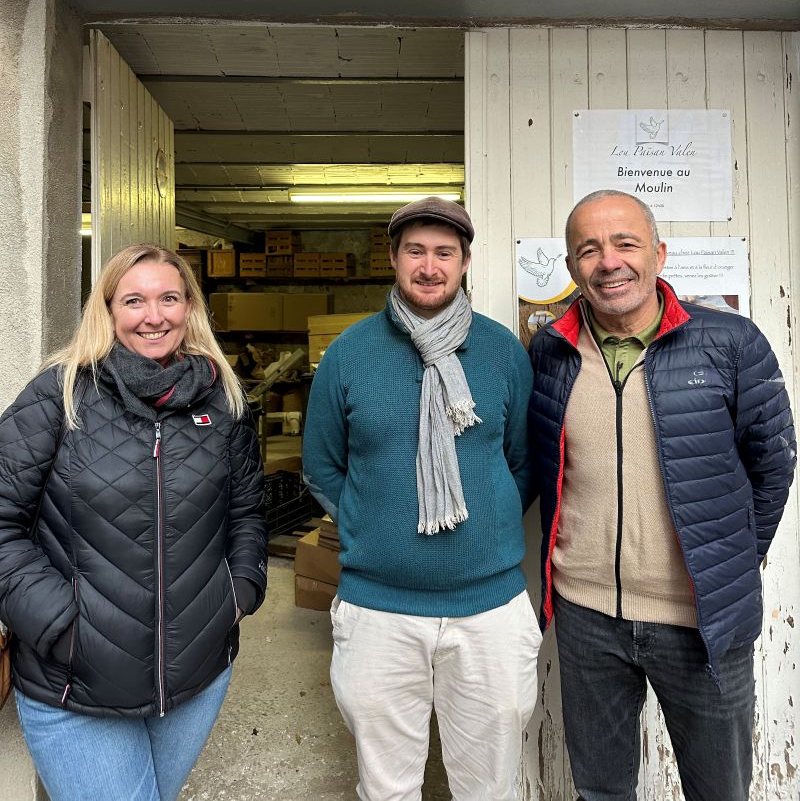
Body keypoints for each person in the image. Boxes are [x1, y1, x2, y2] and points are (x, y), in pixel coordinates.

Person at [527, 189, 796, 801]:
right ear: (572, 269)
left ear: (659, 253)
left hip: (700, 623)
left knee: (719, 791)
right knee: (601, 791)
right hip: (586, 615)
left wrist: (722, 567)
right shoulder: (550, 352)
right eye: (588, 249)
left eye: (626, 243)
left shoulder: (730, 343)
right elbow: (537, 465)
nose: (608, 261)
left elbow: (773, 467)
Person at [0, 244, 267, 801]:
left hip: (194, 680)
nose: (154, 316)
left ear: (190, 307)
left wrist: (236, 595)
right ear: (107, 309)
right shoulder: (60, 394)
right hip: (75, 683)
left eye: (169, 298)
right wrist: (60, 626)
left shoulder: (221, 402)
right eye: (134, 300)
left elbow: (245, 512)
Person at [303, 197, 540, 801]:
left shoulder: (501, 352)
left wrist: (486, 522)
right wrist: (368, 524)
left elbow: (522, 462)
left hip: (489, 607)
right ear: (392, 258)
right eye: (416, 251)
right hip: (377, 607)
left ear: (464, 263)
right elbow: (322, 465)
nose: (429, 266)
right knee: (388, 788)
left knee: (490, 787)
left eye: (444, 253)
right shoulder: (351, 354)